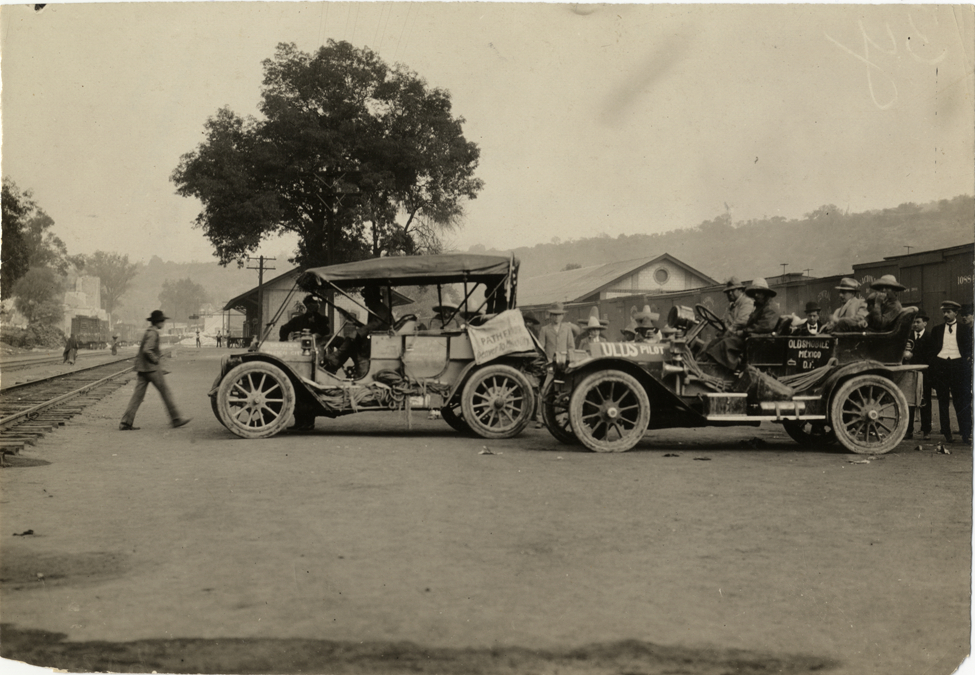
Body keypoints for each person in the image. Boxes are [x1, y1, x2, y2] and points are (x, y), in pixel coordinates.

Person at [119, 310, 191, 431]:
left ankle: (126, 422)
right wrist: (156, 359)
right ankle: (176, 418)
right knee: (166, 392)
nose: (163, 323)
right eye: (162, 321)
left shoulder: (149, 332)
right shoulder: (153, 333)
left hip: (142, 369)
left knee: (137, 397)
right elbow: (147, 349)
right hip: (151, 369)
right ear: (157, 322)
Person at [704, 278, 779, 372]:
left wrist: (743, 332)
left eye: (759, 292)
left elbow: (764, 326)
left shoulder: (770, 307)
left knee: (726, 343)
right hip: (752, 336)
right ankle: (712, 366)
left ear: (765, 293)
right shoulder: (760, 306)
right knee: (716, 341)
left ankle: (727, 370)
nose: (756, 295)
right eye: (755, 292)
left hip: (759, 339)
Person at [928, 300, 973, 444]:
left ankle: (966, 434)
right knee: (943, 402)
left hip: (958, 367)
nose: (946, 315)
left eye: (949, 312)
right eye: (944, 312)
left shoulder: (965, 329)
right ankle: (947, 433)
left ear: (956, 313)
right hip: (941, 366)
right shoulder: (937, 330)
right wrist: (935, 365)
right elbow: (932, 350)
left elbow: (968, 348)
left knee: (961, 402)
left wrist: (965, 362)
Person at [905, 310, 933, 440]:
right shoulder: (907, 336)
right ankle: (908, 430)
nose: (915, 324)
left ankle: (926, 430)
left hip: (924, 374)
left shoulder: (929, 337)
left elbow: (930, 356)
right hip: (910, 373)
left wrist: (913, 356)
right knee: (909, 402)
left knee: (925, 401)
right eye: (913, 322)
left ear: (925, 323)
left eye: (918, 322)